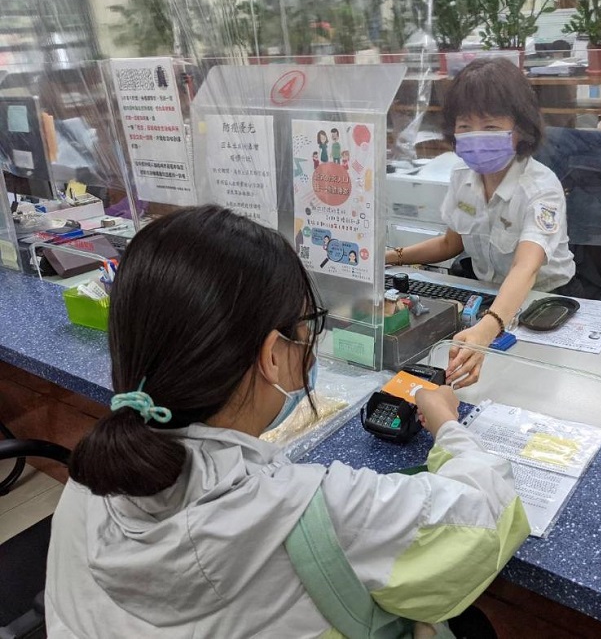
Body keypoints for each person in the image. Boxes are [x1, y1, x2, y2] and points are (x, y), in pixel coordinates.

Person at [46, 206, 529, 638]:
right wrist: (448, 426)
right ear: (273, 356)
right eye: (308, 326)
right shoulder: (316, 512)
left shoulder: (91, 477)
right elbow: (489, 514)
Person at [385, 58, 578, 387]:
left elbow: (525, 269)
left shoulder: (542, 188)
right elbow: (450, 244)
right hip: (484, 300)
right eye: (465, 125)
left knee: (525, 387)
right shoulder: (462, 176)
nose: (476, 136)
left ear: (520, 130)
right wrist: (388, 257)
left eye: (490, 127)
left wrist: (489, 328)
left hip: (541, 305)